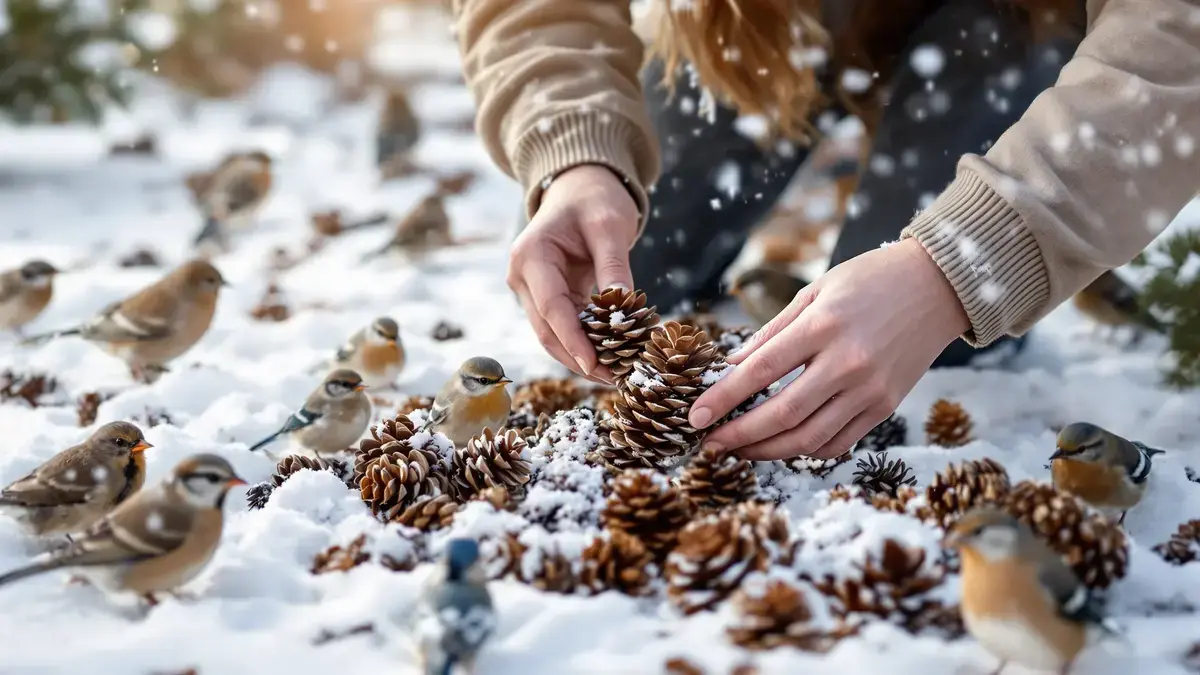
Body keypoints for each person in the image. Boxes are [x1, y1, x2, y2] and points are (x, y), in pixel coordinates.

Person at [449, 0, 1200, 461]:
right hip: (764, 22)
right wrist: (575, 152)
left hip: (1013, 20)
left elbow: (1176, 43)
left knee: (874, 373)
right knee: (622, 259)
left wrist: (961, 266)